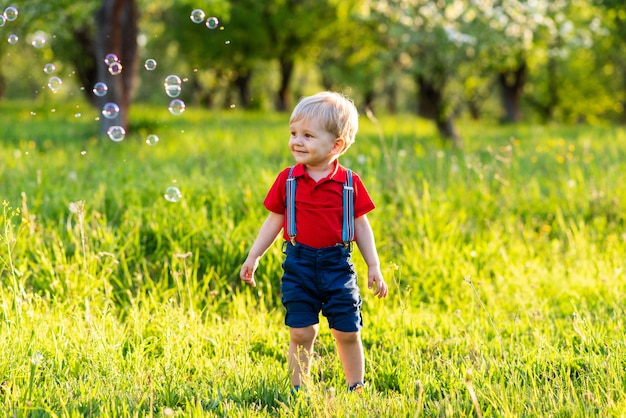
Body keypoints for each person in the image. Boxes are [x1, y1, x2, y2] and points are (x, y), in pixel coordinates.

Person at [239, 91, 388, 394]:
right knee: (300, 331)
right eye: (294, 133)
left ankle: (356, 385)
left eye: (308, 135)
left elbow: (361, 225)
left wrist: (374, 265)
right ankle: (298, 388)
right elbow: (274, 220)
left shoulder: (349, 182)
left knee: (347, 330)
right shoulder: (288, 180)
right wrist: (254, 256)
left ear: (337, 145)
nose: (297, 141)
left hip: (337, 266)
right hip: (299, 264)